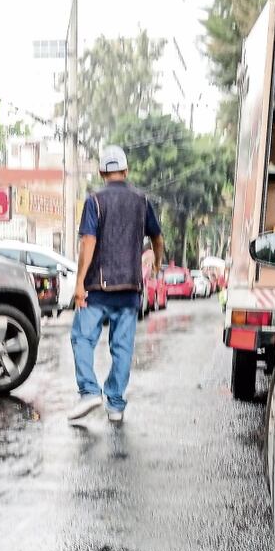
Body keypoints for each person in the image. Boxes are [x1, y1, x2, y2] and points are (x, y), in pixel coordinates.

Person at [67, 145, 165, 423]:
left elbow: (88, 242)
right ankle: (116, 403)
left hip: (98, 288)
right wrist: (156, 264)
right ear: (125, 171)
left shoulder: (94, 201)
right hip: (130, 289)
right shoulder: (142, 201)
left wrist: (79, 284)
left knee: (82, 339)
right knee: (122, 347)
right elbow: (158, 238)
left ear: (101, 172)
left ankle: (89, 391)